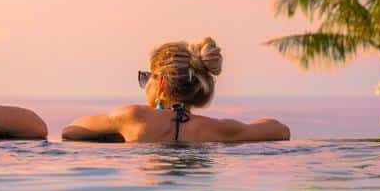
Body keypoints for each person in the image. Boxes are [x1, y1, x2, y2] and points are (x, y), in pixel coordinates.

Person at [62, 37, 289, 143]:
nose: (144, 86)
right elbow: (280, 130)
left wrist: (115, 134)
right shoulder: (220, 130)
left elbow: (71, 130)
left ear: (160, 83)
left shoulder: (132, 118)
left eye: (145, 78)